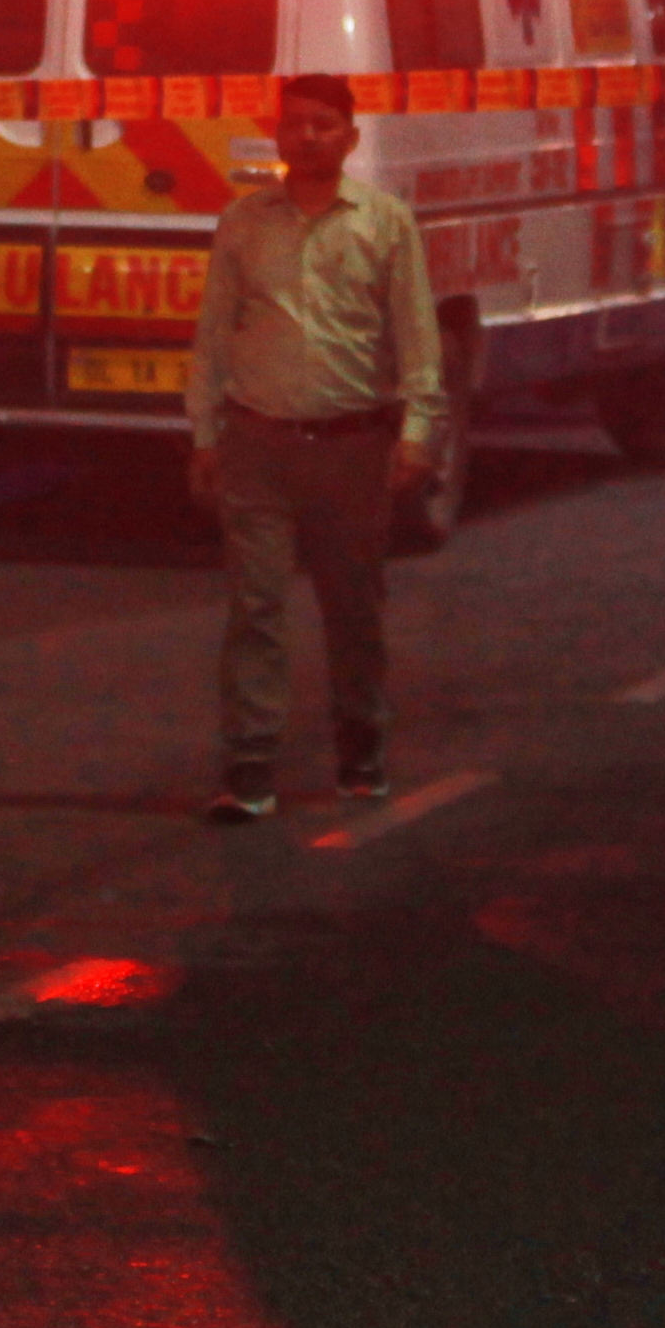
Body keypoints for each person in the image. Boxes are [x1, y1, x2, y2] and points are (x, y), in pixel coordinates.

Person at [186, 74, 445, 823]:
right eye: (295, 123)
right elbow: (212, 339)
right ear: (277, 134)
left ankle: (362, 750)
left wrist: (417, 432)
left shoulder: (385, 223)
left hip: (350, 448)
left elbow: (416, 338)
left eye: (324, 124)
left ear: (351, 138)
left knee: (352, 607)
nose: (307, 136)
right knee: (256, 606)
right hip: (258, 443)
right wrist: (205, 434)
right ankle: (250, 768)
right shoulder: (243, 223)